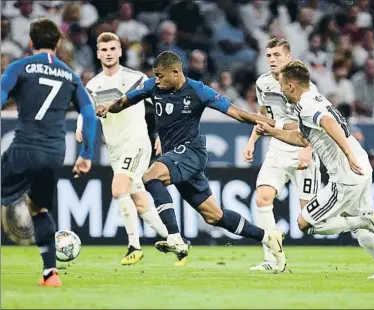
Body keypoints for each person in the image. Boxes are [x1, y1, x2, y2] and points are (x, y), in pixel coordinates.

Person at [96, 51, 285, 271]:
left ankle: (175, 237)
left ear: (176, 72)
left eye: (160, 75)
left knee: (150, 176)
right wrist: (109, 106)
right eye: (155, 76)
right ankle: (268, 237)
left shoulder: (198, 90)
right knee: (214, 216)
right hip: (175, 157)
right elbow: (124, 101)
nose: (157, 79)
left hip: (191, 152)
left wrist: (273, 124)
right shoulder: (152, 86)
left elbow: (237, 113)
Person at [255, 60, 374, 279]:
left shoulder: (306, 105)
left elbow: (328, 124)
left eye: (283, 85)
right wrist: (272, 131)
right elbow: (303, 138)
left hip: (346, 176)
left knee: (305, 223)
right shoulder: (316, 98)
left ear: (292, 86)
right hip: (361, 167)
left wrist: (349, 156)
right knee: (360, 228)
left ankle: (364, 220)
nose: (282, 89)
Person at [1, 18, 97, 287]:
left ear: (31, 42)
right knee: (38, 207)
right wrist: (86, 154)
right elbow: (89, 114)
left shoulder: (19, 67)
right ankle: (50, 273)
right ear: (58, 43)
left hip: (25, 147)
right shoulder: (70, 74)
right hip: (56, 152)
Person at [75, 32, 168, 265]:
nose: (108, 54)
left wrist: (164, 133)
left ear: (119, 51)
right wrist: (80, 127)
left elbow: (160, 101)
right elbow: (86, 111)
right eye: (104, 50)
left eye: (112, 49)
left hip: (136, 142)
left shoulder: (135, 78)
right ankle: (175, 240)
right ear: (98, 53)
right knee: (139, 200)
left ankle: (133, 246)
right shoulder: (93, 84)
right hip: (115, 148)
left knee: (118, 189)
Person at [243, 38, 321, 272]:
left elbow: (315, 123)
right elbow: (264, 116)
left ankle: (357, 221)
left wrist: (308, 150)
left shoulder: (305, 84)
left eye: (277, 55)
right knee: (262, 198)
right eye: (269, 56)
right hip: (277, 148)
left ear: (288, 57)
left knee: (310, 222)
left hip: (301, 150)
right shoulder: (263, 83)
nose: (272, 60)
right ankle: (273, 259)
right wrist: (252, 141)